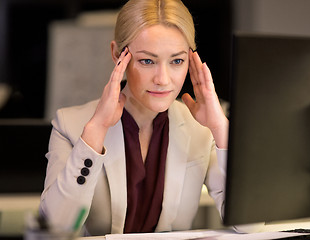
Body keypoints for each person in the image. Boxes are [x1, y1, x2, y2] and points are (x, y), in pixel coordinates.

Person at [40, 0, 229, 236]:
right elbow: (54, 230)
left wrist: (220, 127)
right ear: (117, 55)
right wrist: (96, 131)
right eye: (147, 61)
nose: (163, 79)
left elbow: (248, 224)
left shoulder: (202, 128)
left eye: (177, 61)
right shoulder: (69, 124)